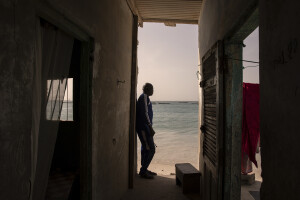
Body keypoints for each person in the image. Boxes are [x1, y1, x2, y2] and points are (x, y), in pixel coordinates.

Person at [136, 83, 157, 179]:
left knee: (145, 148)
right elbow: (145, 113)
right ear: (147, 89)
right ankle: (143, 171)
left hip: (145, 127)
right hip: (144, 127)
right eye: (152, 88)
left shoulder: (145, 97)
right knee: (151, 149)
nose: (153, 90)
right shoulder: (144, 96)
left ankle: (144, 168)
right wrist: (150, 127)